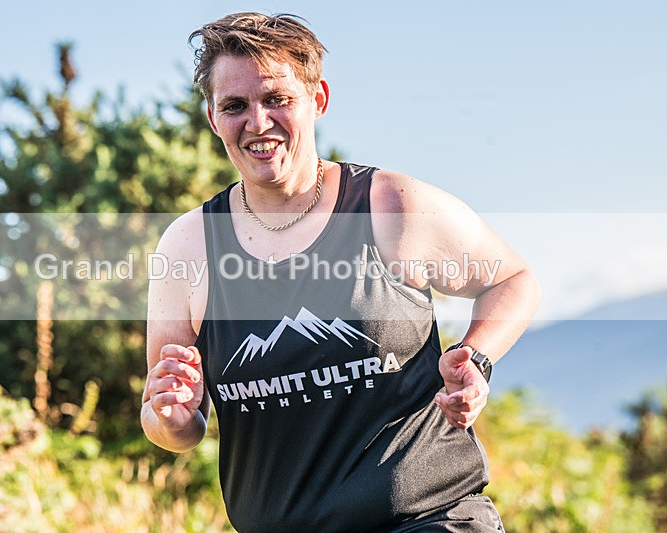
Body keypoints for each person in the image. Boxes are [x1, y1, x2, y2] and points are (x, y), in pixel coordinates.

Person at [141, 12, 540, 532]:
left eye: (277, 99)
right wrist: (171, 417)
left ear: (317, 99)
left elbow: (512, 281)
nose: (257, 122)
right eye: (235, 106)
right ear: (214, 119)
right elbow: (170, 419)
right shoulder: (189, 245)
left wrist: (477, 356)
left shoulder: (391, 206)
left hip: (425, 520)